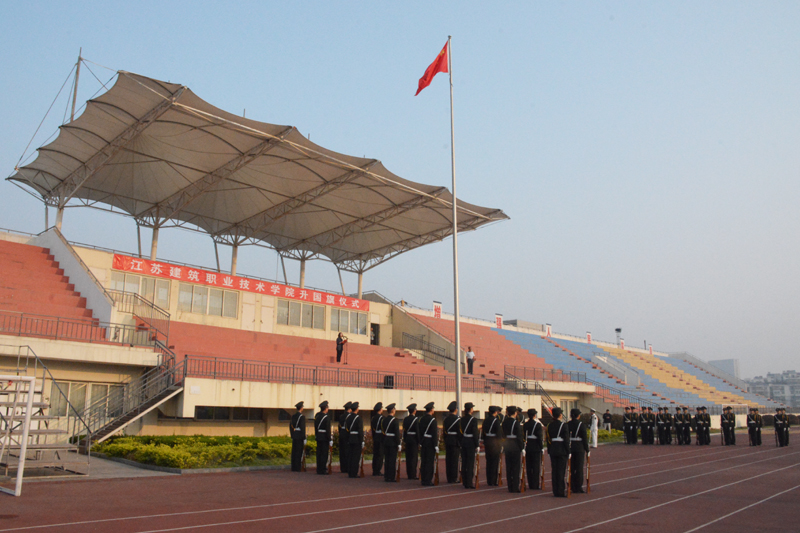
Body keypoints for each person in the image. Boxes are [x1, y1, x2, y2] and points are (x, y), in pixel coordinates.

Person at [546, 407, 570, 497]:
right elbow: (566, 440)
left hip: (553, 449)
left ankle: (555, 490)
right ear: (560, 415)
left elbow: (548, 439)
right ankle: (560, 491)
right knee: (560, 471)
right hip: (561, 450)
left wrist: (549, 450)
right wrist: (568, 451)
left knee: (554, 471)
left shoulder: (549, 425)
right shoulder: (564, 425)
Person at [502, 405, 524, 493]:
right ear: (515, 413)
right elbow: (519, 436)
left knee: (509, 467)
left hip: (507, 445)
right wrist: (522, 447)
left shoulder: (504, 422)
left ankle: (510, 486)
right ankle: (515, 486)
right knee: (515, 467)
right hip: (515, 446)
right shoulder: (516, 423)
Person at [481, 405, 504, 486]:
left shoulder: (485, 420)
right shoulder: (496, 421)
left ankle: (489, 480)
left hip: (487, 441)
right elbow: (498, 434)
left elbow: (483, 432)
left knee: (489, 461)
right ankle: (493, 480)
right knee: (494, 462)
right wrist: (500, 444)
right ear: (495, 412)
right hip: (494, 443)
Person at [568, 408, 589, 494]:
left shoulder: (568, 424)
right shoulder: (581, 424)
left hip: (571, 446)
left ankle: (572, 485)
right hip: (579, 447)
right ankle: (578, 486)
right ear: (578, 416)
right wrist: (587, 449)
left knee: (571, 468)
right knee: (579, 468)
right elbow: (584, 438)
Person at [459, 402, 480, 489]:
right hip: (471, 442)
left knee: (464, 462)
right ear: (471, 409)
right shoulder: (473, 420)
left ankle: (464, 481)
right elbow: (475, 433)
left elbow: (460, 432)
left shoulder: (462, 419)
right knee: (470, 463)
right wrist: (477, 444)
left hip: (464, 441)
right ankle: (469, 482)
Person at [418, 402, 438, 486]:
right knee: (429, 462)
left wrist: (420, 441)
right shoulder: (433, 420)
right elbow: (434, 434)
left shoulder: (421, 419)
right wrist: (436, 445)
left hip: (423, 442)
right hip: (430, 443)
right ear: (431, 410)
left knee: (424, 461)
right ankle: (428, 480)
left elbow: (419, 431)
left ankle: (423, 479)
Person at [523, 408, 543, 490]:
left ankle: (530, 483)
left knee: (529, 466)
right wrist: (541, 447)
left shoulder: (525, 425)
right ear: (535, 415)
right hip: (535, 447)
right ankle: (535, 484)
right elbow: (539, 437)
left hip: (528, 446)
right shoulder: (537, 425)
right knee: (535, 466)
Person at [443, 401, 461, 483]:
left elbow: (444, 432)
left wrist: (446, 440)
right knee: (454, 460)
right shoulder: (458, 420)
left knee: (448, 460)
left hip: (448, 440)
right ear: (456, 410)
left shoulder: (446, 419)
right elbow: (459, 432)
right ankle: (453, 478)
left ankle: (449, 477)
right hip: (455, 441)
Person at [382, 403, 401, 482]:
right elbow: (397, 433)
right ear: (393, 410)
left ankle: (386, 476)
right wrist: (398, 443)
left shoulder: (384, 420)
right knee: (392, 460)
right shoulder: (395, 420)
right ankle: (391, 477)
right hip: (393, 441)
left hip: (386, 440)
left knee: (387, 459)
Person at [347, 402, 364, 478]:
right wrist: (361, 440)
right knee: (355, 457)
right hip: (357, 439)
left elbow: (347, 429)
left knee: (350, 456)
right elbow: (360, 431)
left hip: (350, 438)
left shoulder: (348, 418)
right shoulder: (358, 418)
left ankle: (350, 471)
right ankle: (354, 472)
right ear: (357, 409)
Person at [314, 401, 332, 474]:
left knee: (319, 453)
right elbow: (328, 429)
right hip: (324, 437)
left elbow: (315, 427)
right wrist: (329, 439)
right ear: (325, 408)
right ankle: (322, 469)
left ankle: (319, 468)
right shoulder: (326, 417)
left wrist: (316, 435)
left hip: (319, 436)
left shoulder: (317, 416)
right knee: (324, 454)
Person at [403, 403, 420, 479]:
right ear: (414, 411)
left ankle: (409, 474)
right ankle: (413, 474)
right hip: (414, 440)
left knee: (408, 457)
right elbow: (417, 431)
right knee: (413, 458)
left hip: (407, 439)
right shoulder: (416, 419)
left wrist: (405, 439)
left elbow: (404, 431)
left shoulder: (405, 419)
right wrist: (419, 441)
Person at [290, 401, 307, 472]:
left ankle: (293, 466)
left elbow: (290, 426)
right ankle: (297, 467)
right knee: (298, 452)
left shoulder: (293, 416)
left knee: (294, 451)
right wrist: (304, 437)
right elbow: (302, 428)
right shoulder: (302, 417)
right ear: (301, 408)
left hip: (295, 434)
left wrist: (292, 434)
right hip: (300, 435)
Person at [370, 402, 385, 476]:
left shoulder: (373, 418)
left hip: (375, 436)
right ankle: (378, 470)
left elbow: (373, 430)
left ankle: (374, 469)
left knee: (375, 454)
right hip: (380, 437)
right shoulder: (382, 418)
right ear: (380, 409)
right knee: (380, 454)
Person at [339, 402, 353, 473]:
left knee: (342, 452)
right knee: (347, 451)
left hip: (342, 433)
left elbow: (339, 426)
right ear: (350, 409)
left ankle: (342, 467)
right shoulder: (350, 416)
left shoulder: (341, 416)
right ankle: (347, 467)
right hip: (347, 434)